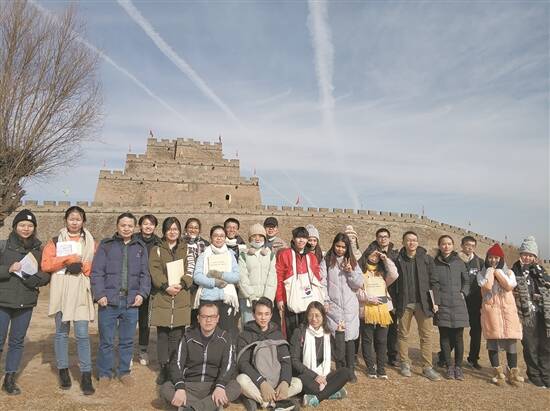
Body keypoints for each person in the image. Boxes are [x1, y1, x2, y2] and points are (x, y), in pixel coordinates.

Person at [91, 212, 151, 386]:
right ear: (117, 226)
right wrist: (100, 294)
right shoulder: (106, 246)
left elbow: (145, 275)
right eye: (123, 225)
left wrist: (141, 294)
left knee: (127, 341)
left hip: (131, 302)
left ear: (135, 228)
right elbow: (97, 272)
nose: (126, 228)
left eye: (130, 226)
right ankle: (105, 373)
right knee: (107, 341)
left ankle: (124, 372)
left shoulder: (140, 247)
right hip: (108, 301)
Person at [41, 206, 96, 395]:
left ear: (83, 221)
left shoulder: (90, 242)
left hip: (81, 291)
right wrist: (66, 260)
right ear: (65, 220)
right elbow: (46, 264)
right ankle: (63, 370)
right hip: (62, 292)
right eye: (71, 219)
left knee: (82, 334)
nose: (74, 222)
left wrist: (84, 266)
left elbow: (96, 266)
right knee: (61, 333)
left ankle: (86, 375)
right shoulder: (55, 241)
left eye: (78, 219)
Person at [0, 210, 50, 395]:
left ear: (34, 228)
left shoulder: (39, 250)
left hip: (25, 302)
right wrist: (8, 269)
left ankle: (10, 378)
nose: (26, 228)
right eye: (22, 225)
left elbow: (46, 273)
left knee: (17, 341)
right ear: (15, 227)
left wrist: (35, 279)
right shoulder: (3, 246)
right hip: (2, 301)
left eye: (30, 226)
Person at [161, 302, 241, 411]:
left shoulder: (225, 338)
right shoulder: (187, 337)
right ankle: (211, 405)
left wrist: (220, 386)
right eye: (204, 316)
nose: (208, 320)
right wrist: (180, 387)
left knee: (235, 387)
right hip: (189, 385)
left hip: (213, 385)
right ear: (198, 318)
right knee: (166, 388)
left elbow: (229, 365)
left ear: (217, 318)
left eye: (212, 316)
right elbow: (176, 363)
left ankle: (192, 408)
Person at [149, 217, 193, 386]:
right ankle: (164, 368)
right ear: (164, 231)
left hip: (181, 295)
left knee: (177, 336)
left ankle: (175, 367)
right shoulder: (157, 250)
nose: (172, 232)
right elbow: (154, 271)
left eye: (175, 229)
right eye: (169, 229)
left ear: (180, 231)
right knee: (162, 336)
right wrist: (165, 286)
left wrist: (182, 284)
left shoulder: (187, 249)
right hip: (163, 296)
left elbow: (190, 269)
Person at [236, 297, 302, 411]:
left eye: (266, 314)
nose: (263, 318)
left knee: (298, 383)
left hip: (276, 381)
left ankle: (266, 400)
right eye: (259, 314)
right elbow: (243, 364)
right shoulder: (245, 335)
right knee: (241, 380)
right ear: (253, 314)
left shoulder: (277, 334)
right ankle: (273, 402)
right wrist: (262, 383)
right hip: (256, 382)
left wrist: (284, 382)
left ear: (271, 315)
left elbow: (285, 361)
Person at [394, 231, 442, 381]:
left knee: (426, 336)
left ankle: (427, 367)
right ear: (403, 242)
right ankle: (404, 363)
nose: (411, 243)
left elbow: (434, 281)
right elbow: (393, 283)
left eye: (414, 240)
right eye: (408, 240)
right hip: (404, 302)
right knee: (403, 334)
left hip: (423, 303)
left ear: (418, 242)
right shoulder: (398, 259)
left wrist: (435, 301)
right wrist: (394, 303)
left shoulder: (426, 259)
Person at [477, 243, 523, 386]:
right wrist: (490, 271)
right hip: (491, 312)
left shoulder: (509, 273)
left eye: (496, 258)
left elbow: (508, 286)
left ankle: (513, 374)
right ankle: (498, 373)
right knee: (493, 343)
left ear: (501, 259)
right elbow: (486, 286)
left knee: (511, 344)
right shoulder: (481, 274)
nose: (493, 260)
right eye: (490, 258)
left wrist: (498, 272)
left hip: (507, 313)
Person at [290, 302, 351, 407]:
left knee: (346, 372)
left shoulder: (327, 333)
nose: (314, 319)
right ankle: (333, 392)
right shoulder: (300, 332)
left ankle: (317, 398)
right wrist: (315, 376)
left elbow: (339, 356)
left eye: (317, 315)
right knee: (313, 386)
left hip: (325, 375)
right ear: (306, 316)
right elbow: (294, 360)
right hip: (306, 375)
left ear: (323, 317)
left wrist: (340, 334)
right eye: (310, 315)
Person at [321, 233, 363, 382]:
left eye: (343, 247)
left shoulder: (353, 261)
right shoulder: (327, 261)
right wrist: (325, 300)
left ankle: (351, 370)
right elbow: (323, 282)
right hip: (334, 306)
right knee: (338, 339)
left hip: (349, 306)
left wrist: (350, 271)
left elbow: (358, 284)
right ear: (333, 245)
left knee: (350, 339)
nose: (340, 249)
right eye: (338, 246)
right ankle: (340, 370)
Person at [512, 236, 550, 388]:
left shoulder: (541, 271)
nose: (527, 257)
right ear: (520, 255)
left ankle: (546, 375)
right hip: (526, 314)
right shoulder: (515, 271)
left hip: (544, 313)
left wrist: (541, 295)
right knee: (530, 345)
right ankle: (534, 375)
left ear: (535, 256)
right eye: (525, 254)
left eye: (530, 255)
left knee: (546, 345)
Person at [359, 228, 400, 367]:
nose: (374, 257)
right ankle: (370, 366)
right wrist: (369, 298)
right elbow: (356, 289)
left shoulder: (382, 273)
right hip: (367, 308)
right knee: (367, 339)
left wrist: (385, 259)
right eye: (372, 254)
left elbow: (394, 274)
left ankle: (382, 366)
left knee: (382, 339)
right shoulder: (361, 272)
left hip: (383, 308)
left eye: (376, 256)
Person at [276, 227, 323, 339]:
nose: (301, 240)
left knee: (307, 328)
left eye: (304, 238)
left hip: (308, 298)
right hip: (289, 297)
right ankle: (292, 349)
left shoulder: (311, 257)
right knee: (291, 329)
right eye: (298, 237)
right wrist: (280, 298)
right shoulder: (285, 254)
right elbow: (279, 277)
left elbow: (317, 278)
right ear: (293, 239)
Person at [433, 235, 469, 380]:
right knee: (445, 336)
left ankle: (458, 367)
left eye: (449, 244)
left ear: (453, 246)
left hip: (458, 304)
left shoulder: (459, 262)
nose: (446, 246)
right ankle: (449, 366)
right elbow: (433, 283)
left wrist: (463, 293)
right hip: (442, 304)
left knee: (459, 337)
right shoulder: (434, 263)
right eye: (443, 244)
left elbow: (466, 281)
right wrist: (435, 301)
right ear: (439, 246)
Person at [193, 225, 240, 336]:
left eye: (222, 236)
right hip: (207, 297)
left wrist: (220, 275)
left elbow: (236, 276)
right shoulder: (204, 255)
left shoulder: (230, 255)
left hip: (226, 299)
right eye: (216, 236)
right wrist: (214, 282)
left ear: (225, 238)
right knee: (206, 332)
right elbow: (197, 276)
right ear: (211, 238)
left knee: (225, 333)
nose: (219, 238)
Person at [134, 214, 160, 366]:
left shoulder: (159, 243)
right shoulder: (132, 240)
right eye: (145, 224)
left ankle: (143, 349)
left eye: (151, 224)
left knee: (145, 321)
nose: (148, 226)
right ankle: (126, 350)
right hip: (133, 285)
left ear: (155, 227)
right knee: (129, 320)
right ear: (140, 226)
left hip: (150, 286)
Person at [238, 224, 277, 324]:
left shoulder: (270, 255)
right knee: (249, 327)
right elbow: (242, 278)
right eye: (254, 236)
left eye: (260, 236)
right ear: (250, 238)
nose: (257, 238)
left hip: (265, 299)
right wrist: (251, 297)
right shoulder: (244, 255)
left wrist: (267, 299)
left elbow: (272, 278)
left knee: (264, 327)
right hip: (248, 300)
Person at [459, 236, 484, 370]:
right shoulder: (456, 260)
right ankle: (445, 357)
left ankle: (473, 359)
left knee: (476, 332)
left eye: (472, 246)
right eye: (467, 245)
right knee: (456, 331)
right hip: (459, 301)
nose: (470, 248)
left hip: (475, 302)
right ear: (462, 245)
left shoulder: (480, 262)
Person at [183, 217, 210, 329]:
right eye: (190, 227)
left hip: (199, 283)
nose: (193, 230)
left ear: (199, 230)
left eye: (196, 228)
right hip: (184, 282)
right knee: (184, 311)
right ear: (186, 229)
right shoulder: (180, 243)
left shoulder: (206, 245)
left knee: (197, 312)